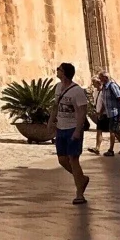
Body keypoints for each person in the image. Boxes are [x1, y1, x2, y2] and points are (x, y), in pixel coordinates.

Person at [48, 62, 90, 204]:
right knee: (62, 160)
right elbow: (56, 105)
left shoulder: (77, 91)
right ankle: (81, 179)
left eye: (59, 69)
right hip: (61, 128)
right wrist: (51, 120)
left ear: (64, 73)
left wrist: (78, 131)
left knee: (73, 159)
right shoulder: (58, 87)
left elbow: (82, 112)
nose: (57, 71)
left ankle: (79, 193)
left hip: (73, 128)